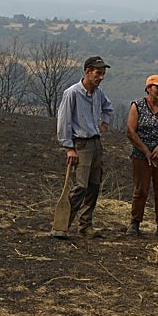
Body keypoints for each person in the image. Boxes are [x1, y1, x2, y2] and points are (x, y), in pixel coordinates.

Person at [54, 55, 115, 238]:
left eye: (103, 74)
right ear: (88, 72)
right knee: (80, 186)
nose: (101, 77)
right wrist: (69, 148)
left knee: (94, 185)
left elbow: (108, 108)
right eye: (98, 73)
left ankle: (86, 225)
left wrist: (104, 123)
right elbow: (63, 121)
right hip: (81, 144)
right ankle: (62, 226)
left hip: (96, 143)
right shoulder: (72, 93)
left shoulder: (98, 94)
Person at [125, 74, 158, 238]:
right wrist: (146, 151)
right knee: (141, 189)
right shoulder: (137, 106)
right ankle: (135, 223)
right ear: (148, 88)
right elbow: (131, 131)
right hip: (140, 155)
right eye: (157, 87)